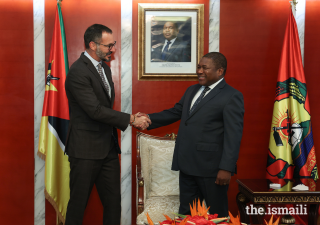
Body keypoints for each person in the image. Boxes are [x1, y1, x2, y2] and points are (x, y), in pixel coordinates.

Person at [139, 52, 244, 217]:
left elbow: (234, 136)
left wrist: (226, 168)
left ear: (220, 71)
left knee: (217, 216)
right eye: (198, 67)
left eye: (205, 68)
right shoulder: (192, 90)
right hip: (187, 166)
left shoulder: (232, 96)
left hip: (212, 170)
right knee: (187, 215)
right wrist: (149, 119)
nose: (199, 71)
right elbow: (176, 112)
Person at [64, 24, 150, 225]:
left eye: (114, 44)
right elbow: (94, 110)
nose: (112, 49)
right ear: (93, 45)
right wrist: (130, 118)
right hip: (85, 150)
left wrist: (130, 117)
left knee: (113, 204)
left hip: (107, 149)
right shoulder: (78, 72)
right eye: (109, 45)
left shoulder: (103, 68)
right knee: (78, 205)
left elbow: (104, 108)